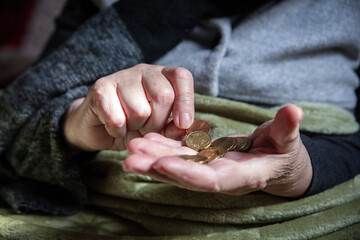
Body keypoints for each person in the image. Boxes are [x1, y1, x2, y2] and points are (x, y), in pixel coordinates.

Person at [0, 0, 359, 215]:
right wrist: (73, 123)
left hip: (318, 182)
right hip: (99, 190)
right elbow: (26, 108)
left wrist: (303, 167)